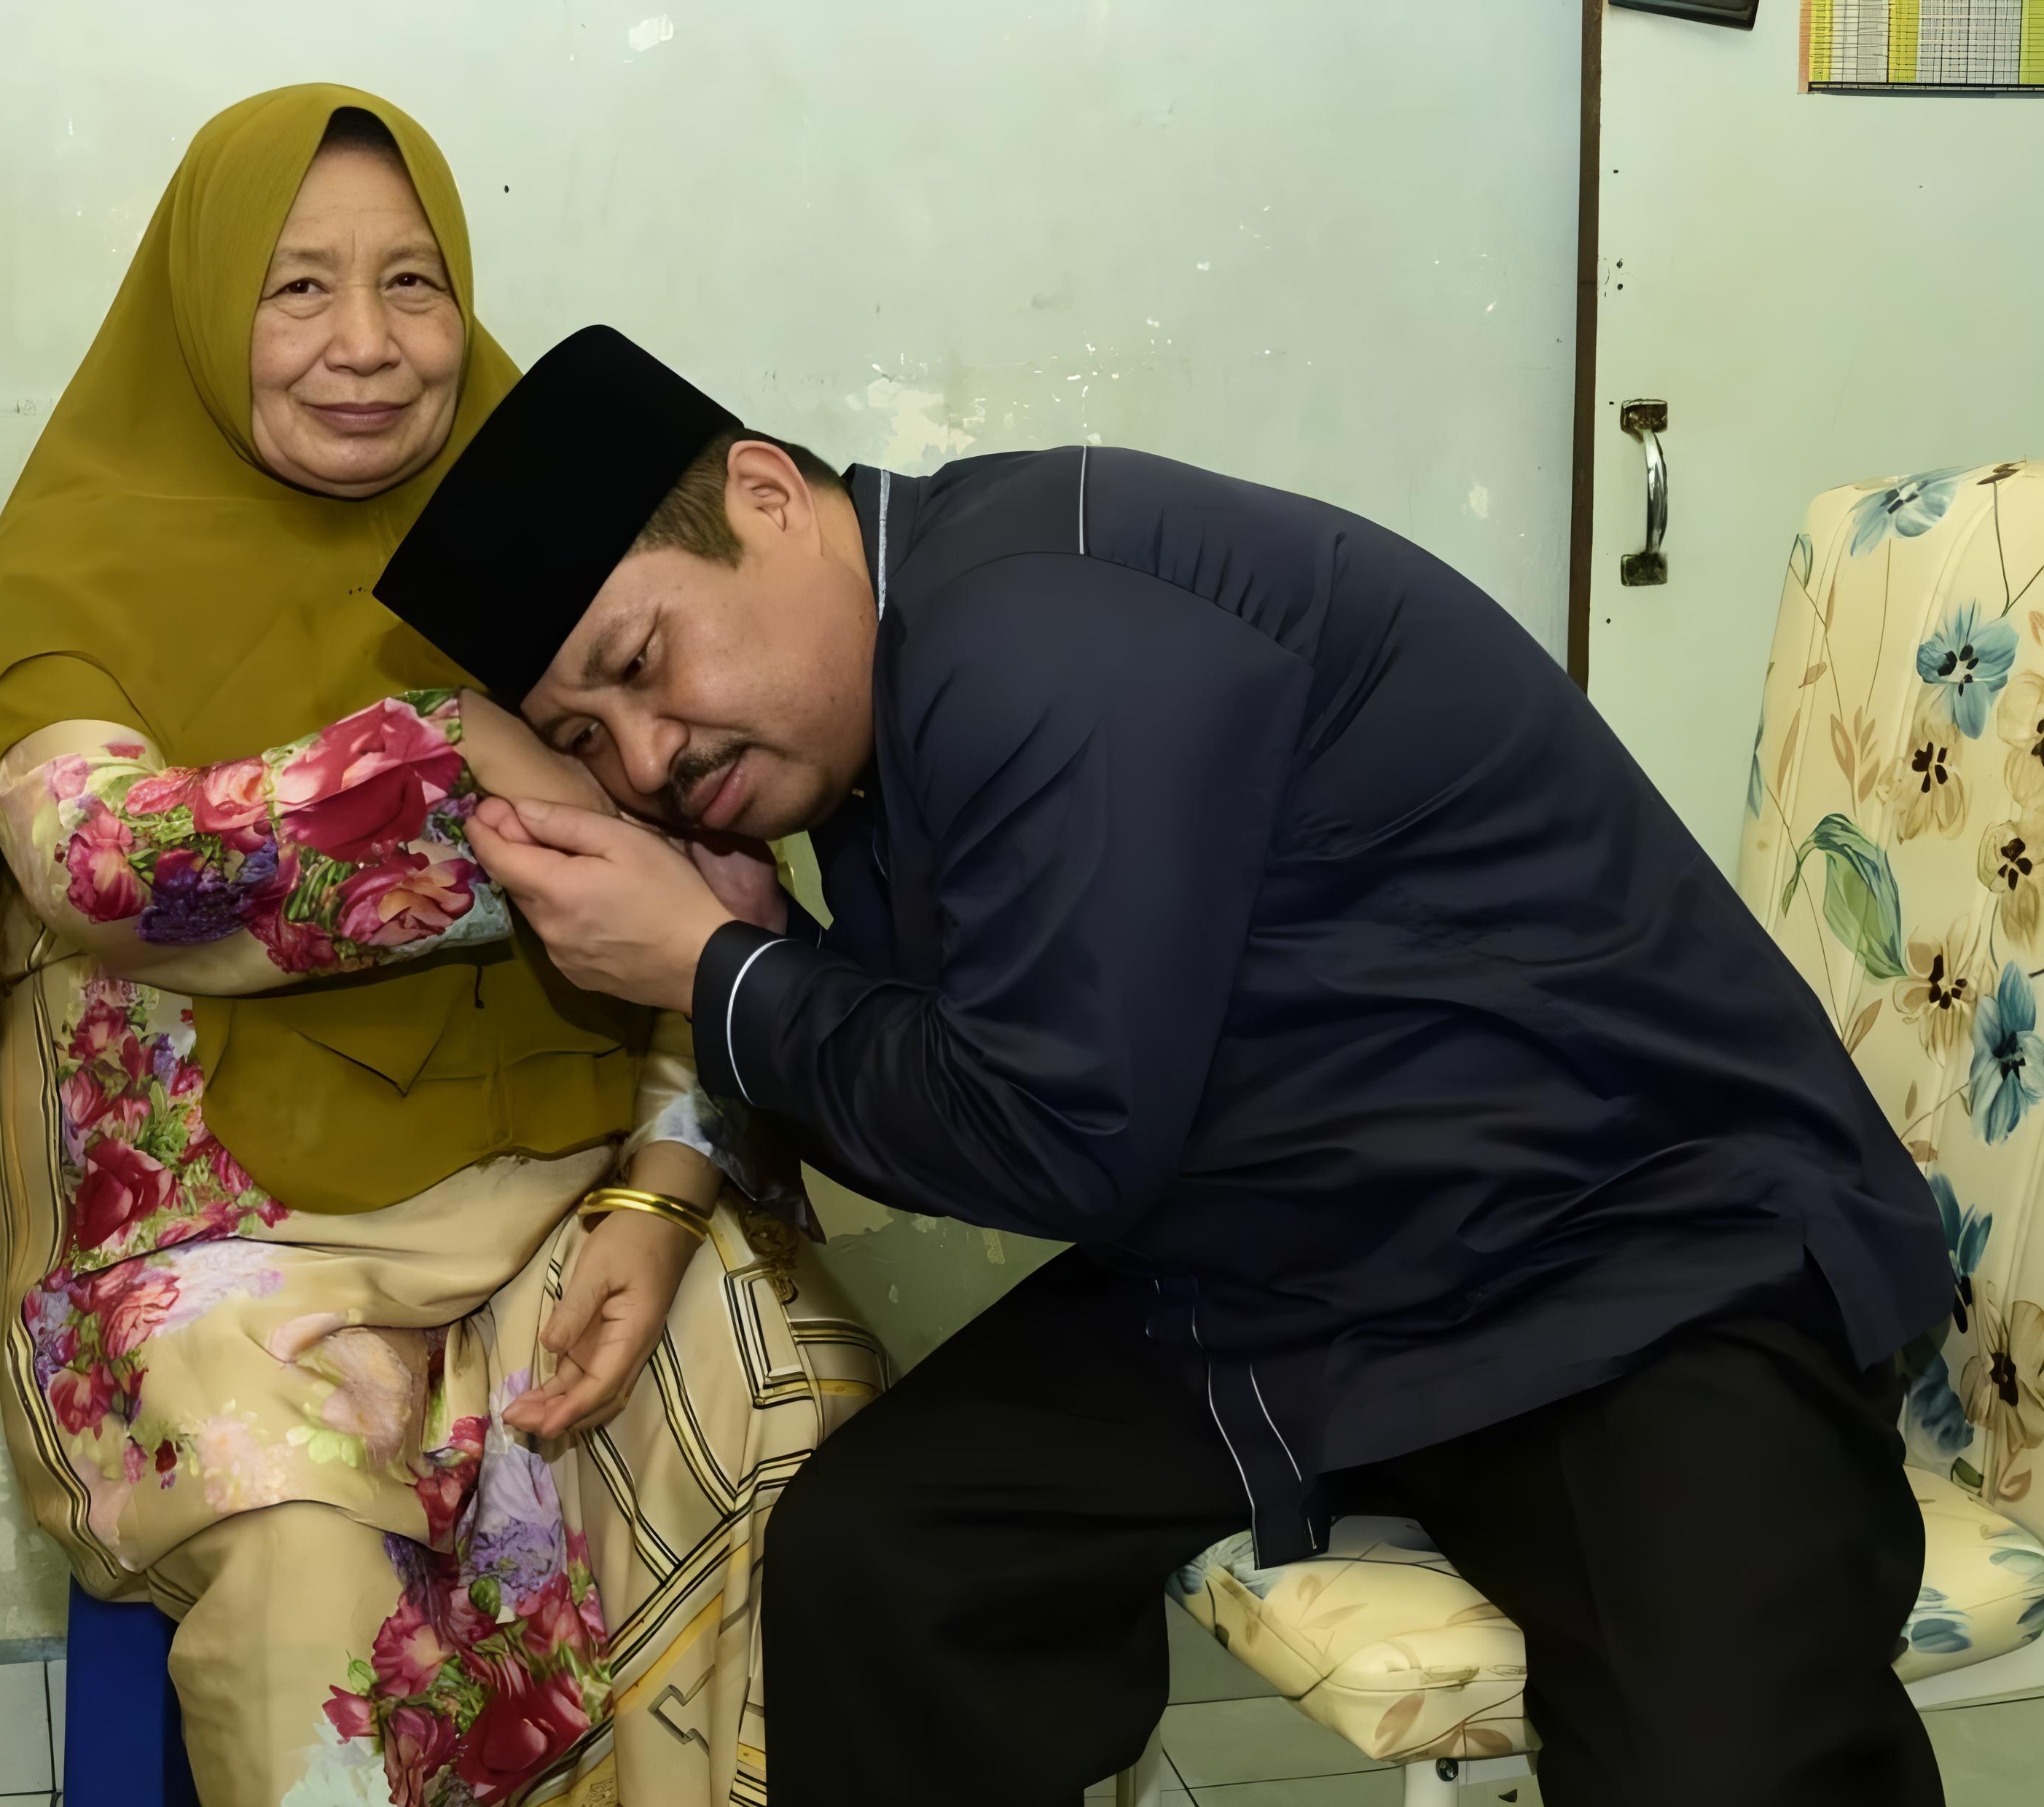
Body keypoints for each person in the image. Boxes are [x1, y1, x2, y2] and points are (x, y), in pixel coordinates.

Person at [368, 326, 1959, 1806]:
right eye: (590, 738)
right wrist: (766, 960)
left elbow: (1051, 1133)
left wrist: (727, 974)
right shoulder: (880, 710)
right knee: (888, 1560)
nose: (652, 755)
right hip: (1290, 1272)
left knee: (1727, 1760)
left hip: (1632, 1248)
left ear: (768, 496)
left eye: (645, 661)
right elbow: (972, 1091)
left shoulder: (1036, 635)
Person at [0, 101, 880, 1807]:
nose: (368, 345)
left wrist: (664, 1190)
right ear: (205, 310)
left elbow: (722, 918)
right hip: (240, 1249)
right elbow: (98, 860)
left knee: (801, 1419)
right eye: (298, 287)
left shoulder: (549, 524)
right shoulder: (92, 546)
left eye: (413, 281)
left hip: (581, 1193)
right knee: (307, 1560)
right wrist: (452, 758)